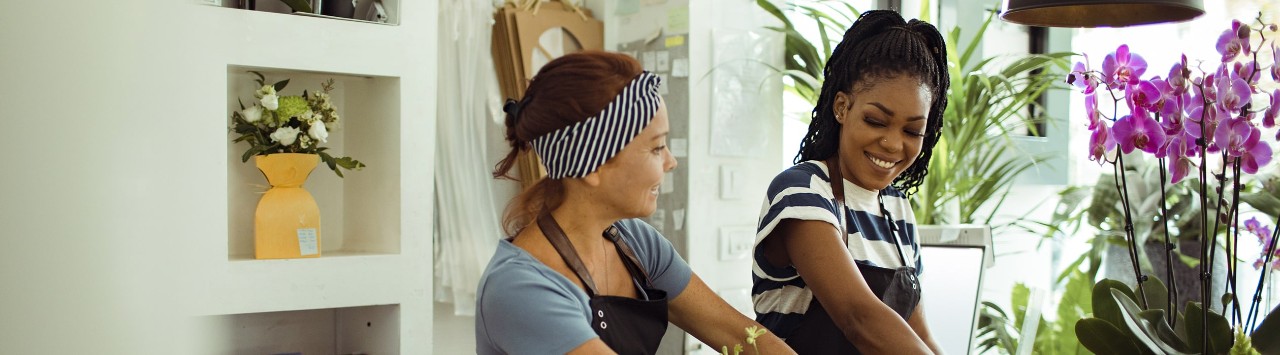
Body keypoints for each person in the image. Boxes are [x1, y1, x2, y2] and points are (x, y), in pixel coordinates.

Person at [476, 51, 794, 355]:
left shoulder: (635, 242)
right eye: (657, 148)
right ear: (593, 165)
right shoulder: (519, 289)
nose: (670, 162)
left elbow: (739, 336)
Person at [752, 10, 950, 354]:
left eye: (912, 130)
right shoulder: (802, 190)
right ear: (842, 107)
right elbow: (859, 318)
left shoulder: (898, 209)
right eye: (876, 121)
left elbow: (919, 337)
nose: (892, 143)